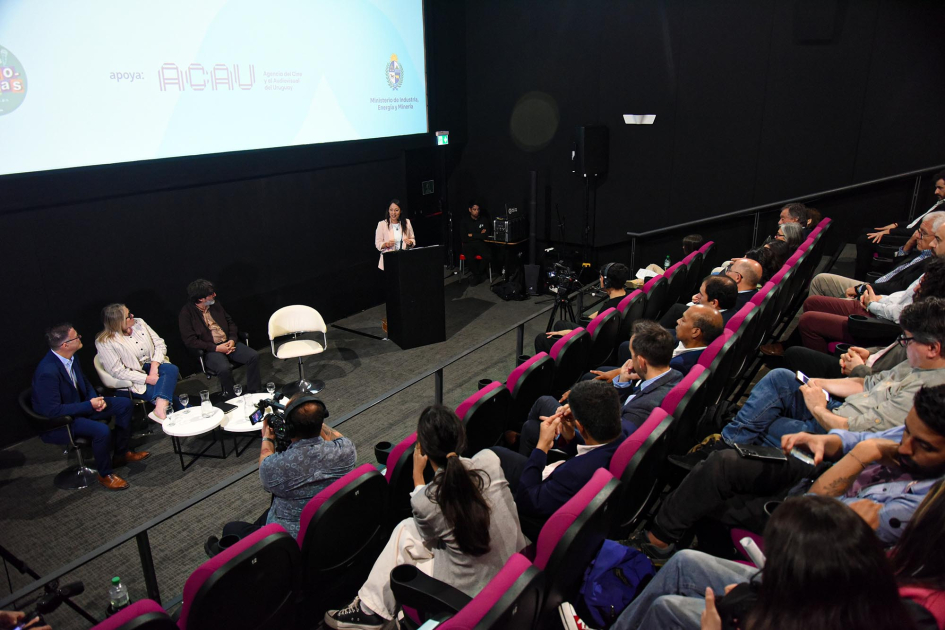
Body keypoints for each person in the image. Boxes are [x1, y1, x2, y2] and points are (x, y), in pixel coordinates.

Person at [635, 385, 945, 567]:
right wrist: (827, 441)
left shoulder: (923, 506)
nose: (905, 447)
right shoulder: (918, 432)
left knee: (717, 508)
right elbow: (861, 440)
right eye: (906, 432)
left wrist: (861, 455)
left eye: (924, 446)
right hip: (821, 471)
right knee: (723, 463)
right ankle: (657, 541)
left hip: (812, 529)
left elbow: (810, 509)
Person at [324, 406, 525, 630]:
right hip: (513, 571)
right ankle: (370, 609)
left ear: (423, 449)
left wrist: (417, 477)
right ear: (461, 435)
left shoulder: (426, 501)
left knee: (406, 532)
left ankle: (370, 610)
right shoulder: (490, 460)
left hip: (472, 597)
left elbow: (429, 534)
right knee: (407, 528)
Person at [613, 496, 916, 630]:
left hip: (790, 612)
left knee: (666, 607)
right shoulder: (856, 582)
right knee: (685, 560)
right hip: (793, 603)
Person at [708, 299, 945, 449]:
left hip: (837, 436)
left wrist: (818, 408)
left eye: (907, 340)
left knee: (760, 423)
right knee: (781, 377)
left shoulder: (926, 395)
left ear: (933, 348)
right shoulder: (917, 363)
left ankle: (725, 447)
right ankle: (730, 441)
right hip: (838, 409)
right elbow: (867, 383)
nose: (903, 345)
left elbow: (854, 433)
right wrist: (815, 383)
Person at [209, 393, 355, 549]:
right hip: (330, 524)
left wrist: (267, 438)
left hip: (289, 541)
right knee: (263, 516)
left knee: (231, 529)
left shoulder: (276, 466)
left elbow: (265, 462)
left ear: (289, 429)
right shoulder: (346, 450)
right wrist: (312, 419)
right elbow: (337, 436)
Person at [490, 381, 625, 522]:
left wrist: (542, 447)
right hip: (567, 473)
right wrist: (570, 438)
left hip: (537, 497)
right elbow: (593, 450)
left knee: (494, 453)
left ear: (580, 426)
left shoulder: (573, 474)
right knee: (529, 427)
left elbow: (528, 502)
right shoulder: (624, 433)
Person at [32, 323, 146, 491]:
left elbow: (84, 381)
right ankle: (105, 474)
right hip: (63, 421)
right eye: (76, 337)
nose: (80, 338)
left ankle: (121, 454)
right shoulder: (47, 372)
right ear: (65, 345)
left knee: (124, 404)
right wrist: (88, 405)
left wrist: (95, 399)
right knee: (101, 431)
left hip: (83, 406)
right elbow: (53, 411)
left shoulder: (72, 357)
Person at [809, 211, 942, 299]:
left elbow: (898, 288)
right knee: (820, 280)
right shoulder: (921, 252)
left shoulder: (932, 263)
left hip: (877, 296)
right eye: (918, 231)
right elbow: (897, 269)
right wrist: (908, 244)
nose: (917, 236)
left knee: (817, 291)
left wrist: (862, 289)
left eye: (923, 233)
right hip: (876, 285)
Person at [95, 304, 178, 423]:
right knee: (168, 398)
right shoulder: (104, 342)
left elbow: (159, 344)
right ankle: (174, 413)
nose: (132, 315)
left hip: (153, 366)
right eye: (128, 316)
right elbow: (117, 371)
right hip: (134, 377)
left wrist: (154, 367)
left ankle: (159, 410)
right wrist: (147, 379)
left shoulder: (140, 323)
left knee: (171, 369)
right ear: (118, 322)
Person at [179, 279, 261, 397]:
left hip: (228, 342)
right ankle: (233, 396)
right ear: (201, 299)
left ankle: (254, 391)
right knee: (224, 368)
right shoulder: (186, 314)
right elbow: (190, 341)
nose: (214, 295)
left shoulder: (215, 304)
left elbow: (230, 323)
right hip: (211, 349)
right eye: (211, 294)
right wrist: (216, 348)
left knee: (253, 356)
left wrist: (232, 339)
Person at [855, 171, 945, 279]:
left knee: (864, 240)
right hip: (911, 232)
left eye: (940, 188)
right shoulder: (941, 202)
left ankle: (860, 277)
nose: (936, 191)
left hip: (912, 236)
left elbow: (918, 229)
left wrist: (890, 232)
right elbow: (917, 222)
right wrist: (896, 225)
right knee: (865, 231)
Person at [533, 262, 629, 354]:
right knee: (560, 324)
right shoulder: (625, 296)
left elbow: (591, 335)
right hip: (605, 340)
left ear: (607, 282)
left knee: (541, 339)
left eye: (601, 277)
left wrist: (569, 333)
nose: (600, 279)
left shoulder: (608, 310)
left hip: (591, 346)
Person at [659, 274, 738, 329]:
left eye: (701, 294)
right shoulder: (731, 310)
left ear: (714, 302)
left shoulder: (710, 325)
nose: (697, 296)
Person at [670, 305, 724, 374]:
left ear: (695, 332)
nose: (678, 321)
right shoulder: (687, 340)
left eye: (683, 320)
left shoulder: (679, 365)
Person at [375, 198, 416, 271]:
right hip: (389, 260)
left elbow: (412, 239)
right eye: (391, 210)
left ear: (400, 211)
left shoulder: (407, 222)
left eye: (396, 210)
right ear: (388, 211)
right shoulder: (382, 224)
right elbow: (378, 243)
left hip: (404, 259)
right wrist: (386, 244)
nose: (393, 213)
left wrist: (410, 242)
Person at [459, 200, 492, 286]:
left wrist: (472, 235)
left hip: (480, 243)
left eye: (478, 209)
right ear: (470, 210)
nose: (476, 211)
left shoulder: (483, 220)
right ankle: (477, 276)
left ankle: (478, 275)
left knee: (488, 256)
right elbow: (464, 237)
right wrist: (479, 234)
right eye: (474, 209)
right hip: (468, 244)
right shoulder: (464, 221)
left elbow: (485, 235)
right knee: (469, 258)